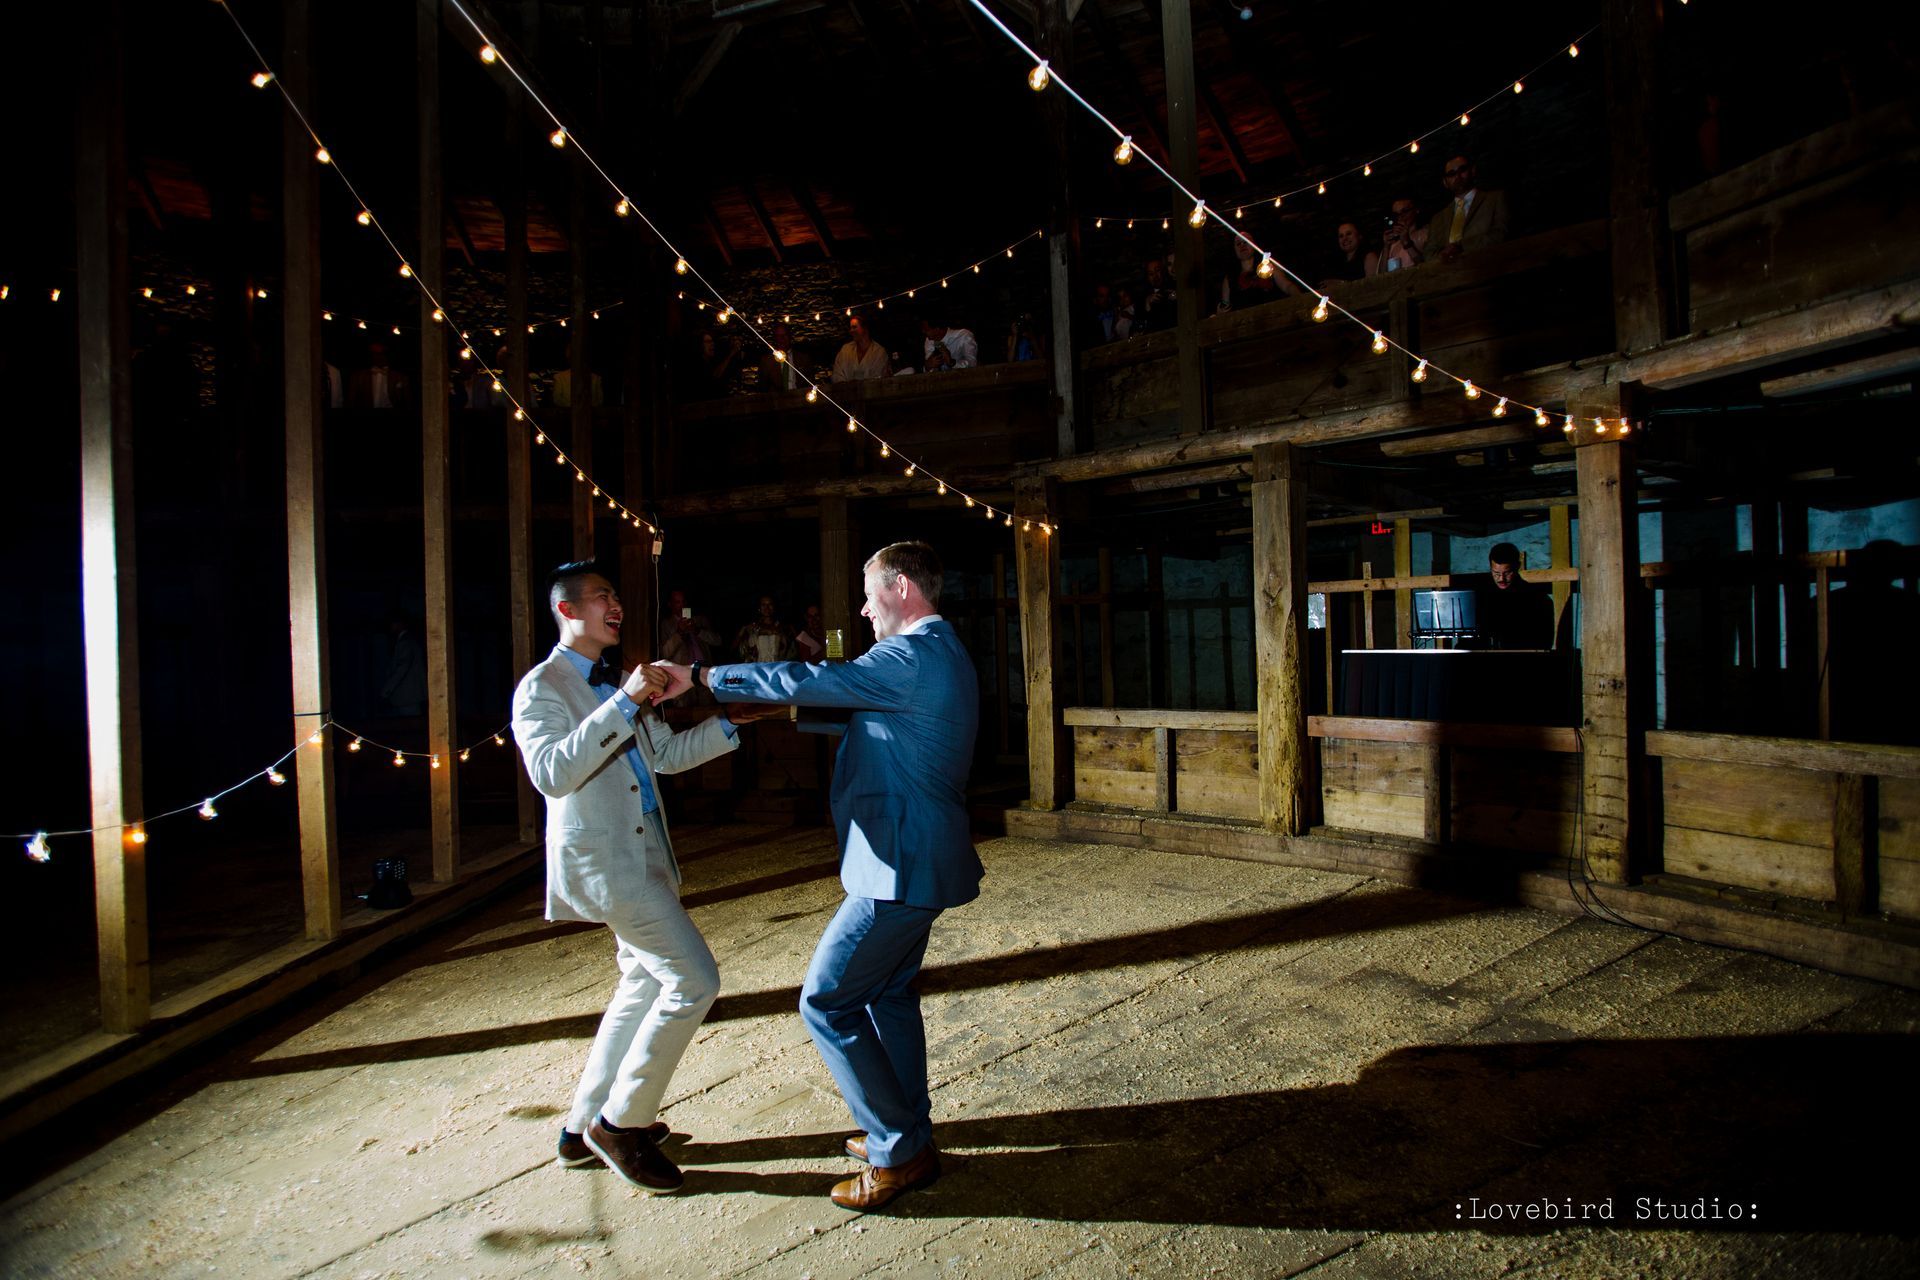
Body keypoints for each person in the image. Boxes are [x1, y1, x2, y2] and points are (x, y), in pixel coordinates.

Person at [650, 541, 981, 1210]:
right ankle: (906, 1127)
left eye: (868, 593)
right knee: (886, 996)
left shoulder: (909, 655)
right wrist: (776, 711)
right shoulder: (938, 653)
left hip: (899, 865)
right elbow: (867, 711)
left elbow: (815, 677)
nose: (861, 608)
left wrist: (707, 679)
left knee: (825, 1001)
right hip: (917, 856)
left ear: (902, 590)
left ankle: (900, 1150)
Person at [510, 561, 779, 1192]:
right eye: (601, 597)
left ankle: (579, 1130)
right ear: (567, 611)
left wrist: (730, 725)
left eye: (615, 595)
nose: (616, 605)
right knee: (694, 979)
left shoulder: (610, 682)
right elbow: (552, 773)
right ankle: (621, 1124)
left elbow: (663, 756)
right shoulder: (541, 688)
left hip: (645, 858)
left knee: (639, 986)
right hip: (606, 867)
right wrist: (624, 701)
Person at [1426, 155, 1510, 263]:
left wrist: (1461, 246)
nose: (1458, 176)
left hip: (1489, 267)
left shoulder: (1495, 199)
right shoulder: (1438, 218)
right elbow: (1428, 253)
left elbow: (1501, 233)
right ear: (1445, 182)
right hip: (1450, 275)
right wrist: (1444, 256)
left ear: (1473, 171)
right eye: (1451, 174)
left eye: (1462, 170)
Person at [1475, 542, 1555, 650]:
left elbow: (1543, 643)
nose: (1501, 579)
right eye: (1496, 573)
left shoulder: (1537, 599)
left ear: (1517, 567)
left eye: (1507, 573)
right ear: (1490, 568)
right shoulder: (1482, 597)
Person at [380, 613, 427, 716]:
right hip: (408, 697)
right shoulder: (407, 642)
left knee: (409, 724)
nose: (391, 627)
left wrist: (387, 691)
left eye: (393, 624)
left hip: (407, 697)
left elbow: (401, 669)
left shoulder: (405, 643)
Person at [1368, 197, 1428, 275]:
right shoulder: (1392, 242)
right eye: (1396, 214)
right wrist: (1386, 247)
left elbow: (1427, 266)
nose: (1400, 217)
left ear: (1416, 210)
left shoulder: (1425, 233)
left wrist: (1406, 242)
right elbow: (1380, 275)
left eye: (1404, 211)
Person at [348, 342, 412, 410]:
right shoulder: (358, 376)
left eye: (382, 354)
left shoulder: (400, 377)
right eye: (376, 354)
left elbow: (408, 400)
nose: (379, 357)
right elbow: (351, 400)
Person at [831, 312, 892, 382]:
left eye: (854, 327)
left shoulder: (879, 352)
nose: (851, 331)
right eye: (851, 328)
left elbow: (879, 377)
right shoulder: (845, 350)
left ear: (865, 329)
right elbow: (837, 374)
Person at [735, 595, 794, 662]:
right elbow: (735, 648)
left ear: (774, 607)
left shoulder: (784, 627)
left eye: (770, 604)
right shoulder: (751, 628)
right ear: (759, 607)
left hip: (779, 667)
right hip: (757, 668)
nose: (767, 608)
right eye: (763, 605)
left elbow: (792, 651)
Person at [1321, 222, 1369, 288]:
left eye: (1348, 234)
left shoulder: (1368, 257)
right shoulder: (1337, 262)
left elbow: (1372, 286)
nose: (1345, 238)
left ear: (1359, 236)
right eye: (1341, 236)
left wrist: (1341, 283)